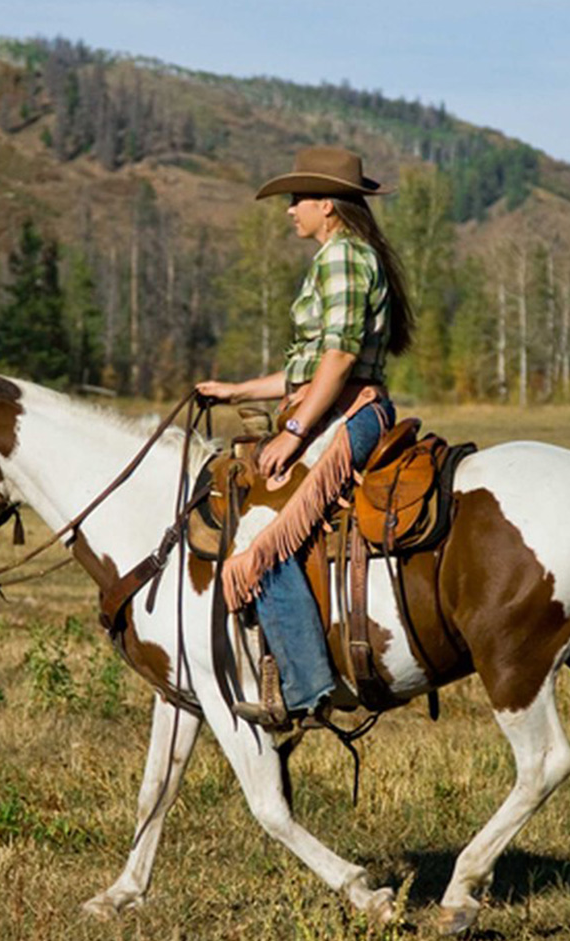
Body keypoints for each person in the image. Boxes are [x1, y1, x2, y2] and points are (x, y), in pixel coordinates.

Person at [196, 146, 413, 728]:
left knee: (259, 540)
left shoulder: (342, 257)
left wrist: (292, 432)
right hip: (337, 407)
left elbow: (340, 358)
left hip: (348, 415)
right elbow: (311, 367)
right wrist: (237, 391)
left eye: (298, 199)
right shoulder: (344, 254)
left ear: (328, 205)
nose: (290, 210)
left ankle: (305, 684)